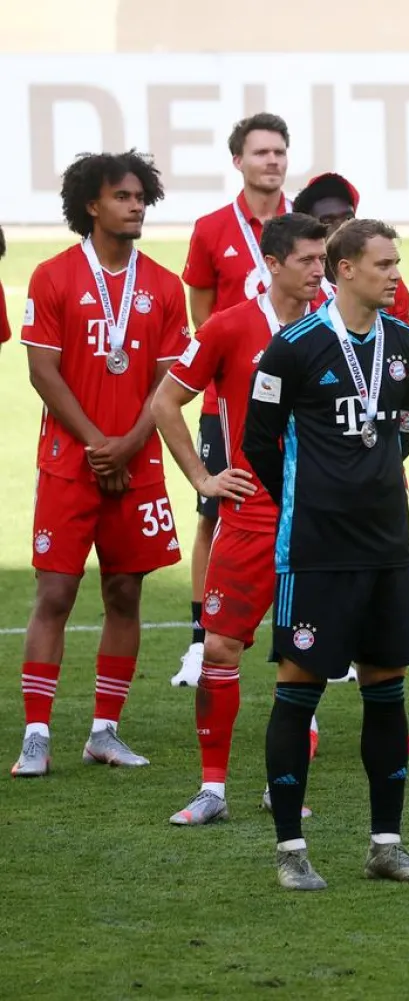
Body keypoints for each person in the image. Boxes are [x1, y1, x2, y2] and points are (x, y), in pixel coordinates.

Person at [242, 218, 409, 890]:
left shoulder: (406, 344)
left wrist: (366, 482)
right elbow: (259, 442)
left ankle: (386, 844)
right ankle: (291, 850)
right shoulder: (291, 349)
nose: (395, 273)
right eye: (383, 263)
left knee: (388, 688)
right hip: (317, 550)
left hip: (387, 546)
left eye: (398, 263)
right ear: (344, 269)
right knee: (299, 686)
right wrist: (315, 495)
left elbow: (405, 430)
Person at [12, 150, 188, 778]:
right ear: (93, 204)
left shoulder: (164, 286)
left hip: (136, 464)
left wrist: (130, 441)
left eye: (142, 196)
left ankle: (104, 731)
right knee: (55, 591)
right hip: (69, 461)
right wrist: (96, 443)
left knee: (124, 591)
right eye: (123, 196)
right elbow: (42, 371)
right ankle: (36, 734)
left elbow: (171, 380)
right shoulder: (53, 276)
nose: (136, 205)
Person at [151, 213, 327, 823]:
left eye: (322, 258)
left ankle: (286, 787)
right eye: (305, 259)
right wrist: (203, 478)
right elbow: (165, 401)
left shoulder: (335, 327)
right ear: (273, 264)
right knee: (220, 647)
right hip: (250, 516)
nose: (317, 270)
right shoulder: (229, 327)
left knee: (300, 657)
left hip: (316, 521)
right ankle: (212, 790)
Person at [175, 113, 291, 688]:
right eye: (261, 153)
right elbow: (202, 314)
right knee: (215, 513)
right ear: (238, 162)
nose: (272, 161)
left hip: (296, 408)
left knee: (300, 514)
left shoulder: (302, 230)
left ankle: (305, 635)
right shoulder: (210, 228)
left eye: (279, 152)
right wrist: (225, 374)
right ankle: (203, 639)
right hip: (228, 404)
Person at [291, 172, 409, 325]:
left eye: (348, 218)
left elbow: (404, 338)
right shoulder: (294, 285)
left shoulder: (386, 278)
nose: (341, 226)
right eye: (327, 221)